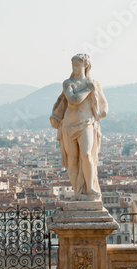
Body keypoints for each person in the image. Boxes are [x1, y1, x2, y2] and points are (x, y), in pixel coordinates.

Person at [50, 54, 108, 201]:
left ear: (85, 66)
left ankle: (90, 189)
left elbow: (104, 102)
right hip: (68, 125)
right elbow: (73, 100)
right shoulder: (68, 83)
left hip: (86, 123)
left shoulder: (95, 83)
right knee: (72, 159)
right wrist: (89, 89)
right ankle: (78, 192)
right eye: (73, 65)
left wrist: (104, 111)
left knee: (87, 155)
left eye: (77, 65)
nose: (74, 68)